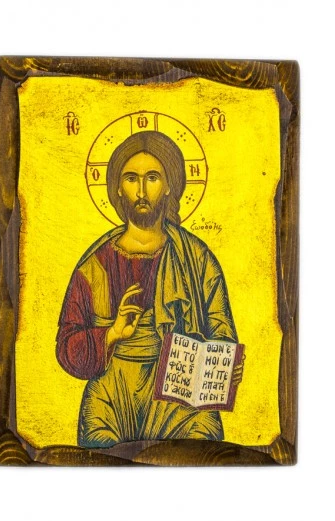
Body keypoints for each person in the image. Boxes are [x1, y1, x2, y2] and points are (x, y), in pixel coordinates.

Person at [56, 131, 240, 448]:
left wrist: (223, 363)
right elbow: (66, 346)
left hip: (181, 397)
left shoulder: (197, 259)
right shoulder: (94, 266)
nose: (141, 191)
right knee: (100, 453)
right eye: (131, 179)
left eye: (152, 178)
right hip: (112, 396)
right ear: (117, 188)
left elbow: (220, 330)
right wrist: (112, 334)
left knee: (201, 449)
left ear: (168, 185)